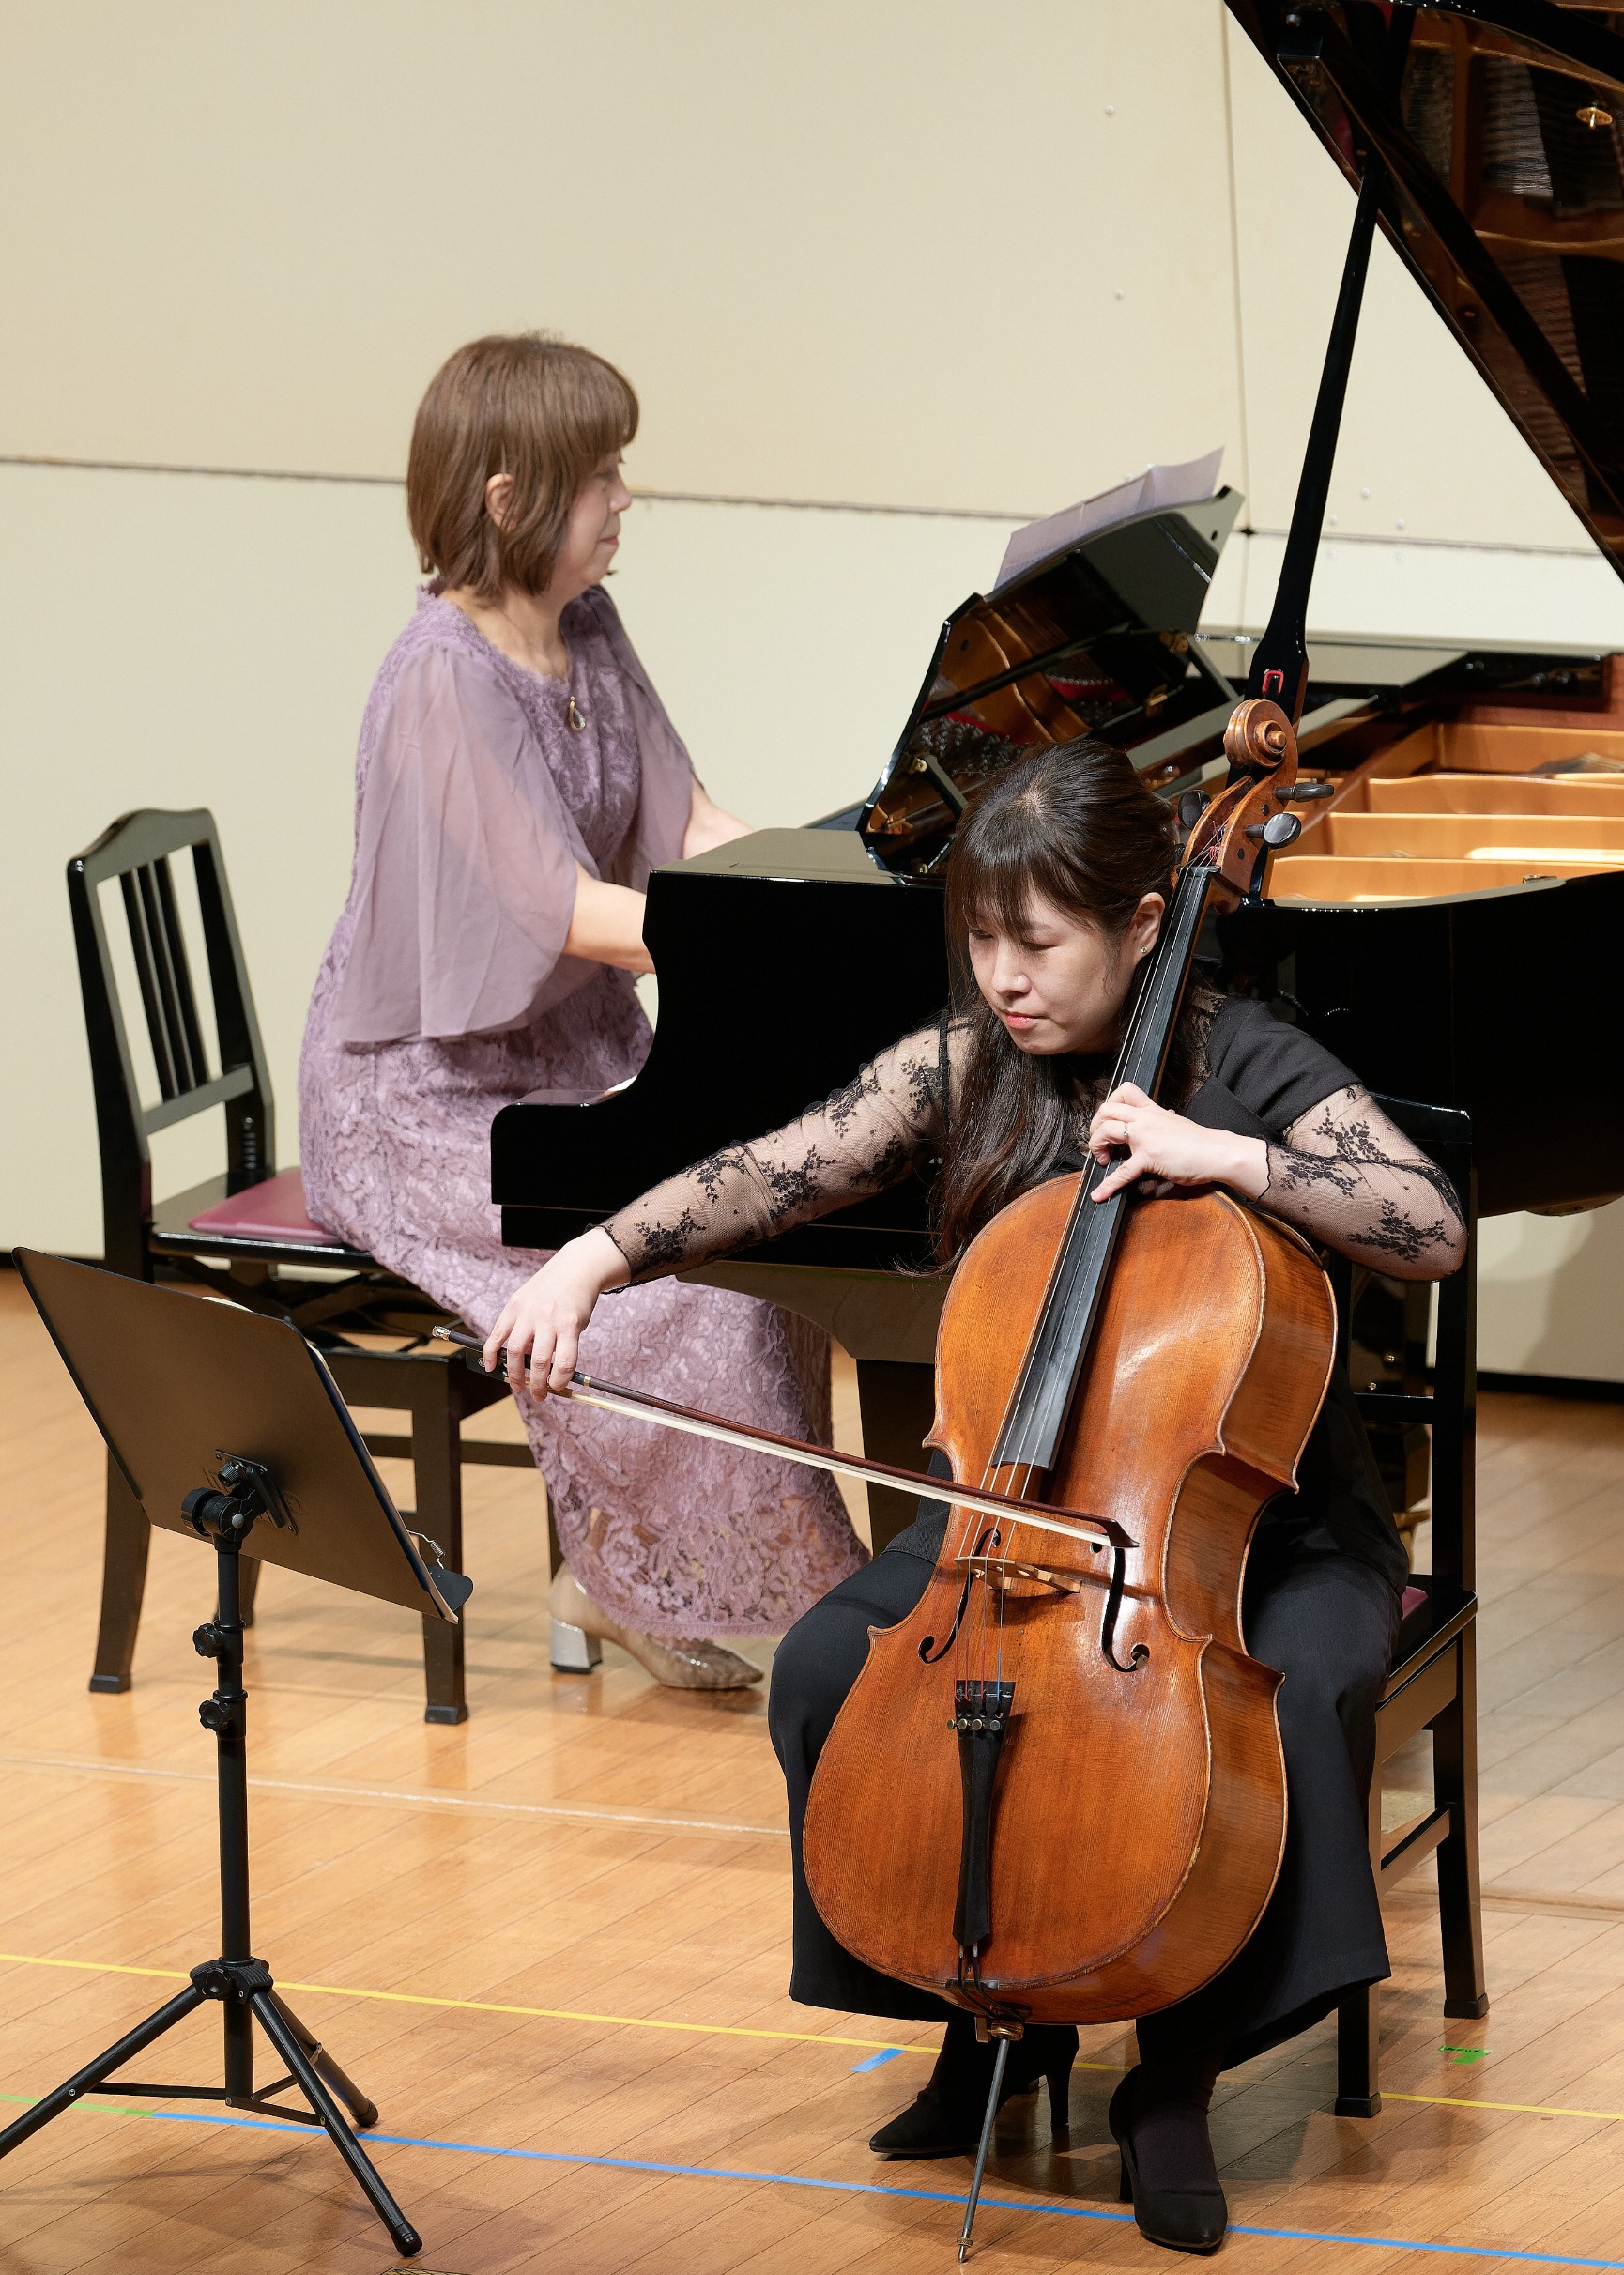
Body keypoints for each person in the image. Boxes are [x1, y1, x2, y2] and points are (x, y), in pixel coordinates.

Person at [482, 737, 1467, 2253]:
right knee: (829, 1664)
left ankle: (1175, 2075)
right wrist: (592, 1259)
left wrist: (1230, 1158)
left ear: (1142, 924)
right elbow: (780, 1168)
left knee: (1298, 1696)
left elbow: (1426, 1223)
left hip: (1255, 1530)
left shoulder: (1252, 1059)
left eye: (1038, 944)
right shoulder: (971, 1061)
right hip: (1018, 1516)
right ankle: (980, 2008)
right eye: (983, 941)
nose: (1003, 978)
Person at [299, 333, 866, 1691]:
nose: (624, 499)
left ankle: (630, 1573)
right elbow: (559, 909)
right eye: (601, 475)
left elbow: (690, 821)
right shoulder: (442, 674)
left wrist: (839, 887)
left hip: (571, 1050)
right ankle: (666, 1586)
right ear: (510, 499)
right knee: (682, 1288)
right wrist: (775, 943)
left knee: (761, 1227)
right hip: (425, 1103)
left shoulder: (588, 623)